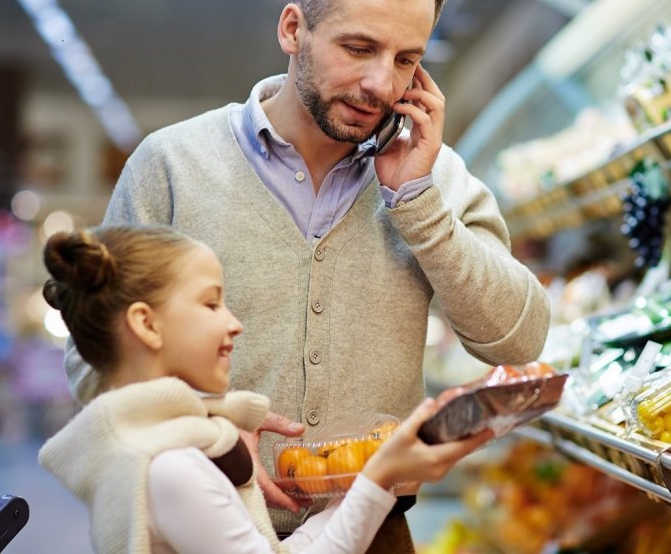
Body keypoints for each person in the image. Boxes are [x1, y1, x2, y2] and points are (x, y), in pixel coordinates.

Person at [65, 0, 550, 549]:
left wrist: (416, 203)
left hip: (375, 534)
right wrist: (200, 429)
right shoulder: (172, 165)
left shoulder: (436, 177)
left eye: (407, 60)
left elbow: (519, 338)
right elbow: (91, 355)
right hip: (200, 529)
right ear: (294, 29)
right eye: (358, 47)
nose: (382, 84)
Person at [39, 225, 494, 553]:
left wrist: (375, 478)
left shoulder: (162, 447)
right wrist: (378, 479)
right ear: (146, 324)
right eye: (211, 302)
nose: (233, 323)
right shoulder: (170, 468)